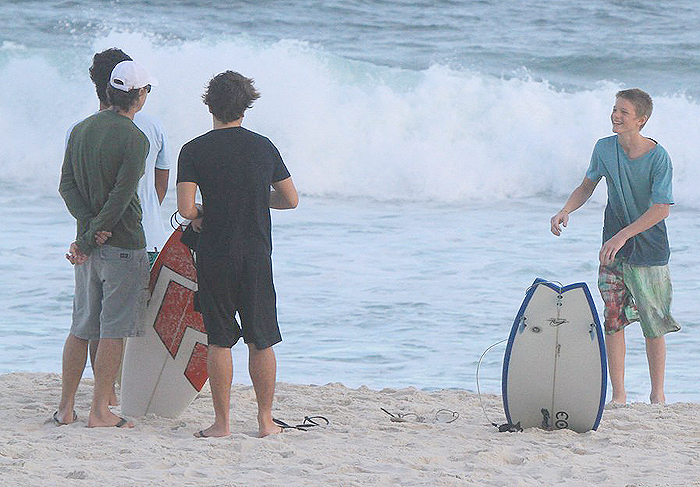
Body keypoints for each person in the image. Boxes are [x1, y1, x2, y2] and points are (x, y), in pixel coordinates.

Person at [176, 71, 298, 438]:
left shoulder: (194, 149)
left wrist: (203, 212)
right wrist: (258, 200)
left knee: (219, 338)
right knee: (261, 337)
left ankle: (223, 423)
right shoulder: (264, 146)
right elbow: (290, 200)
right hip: (257, 253)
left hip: (215, 253)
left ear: (209, 104)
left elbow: (185, 209)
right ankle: (264, 420)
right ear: (246, 105)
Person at [550, 88, 680, 404]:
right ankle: (618, 395)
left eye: (623, 111)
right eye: (614, 109)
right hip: (613, 248)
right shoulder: (605, 149)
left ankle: (657, 396)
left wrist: (624, 235)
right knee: (613, 319)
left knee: (653, 322)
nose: (615, 115)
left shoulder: (658, 157)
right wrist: (566, 209)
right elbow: (586, 187)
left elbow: (662, 208)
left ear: (641, 120)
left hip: (649, 249)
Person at [55, 61, 157, 427]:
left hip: (88, 247)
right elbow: (121, 197)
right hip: (123, 242)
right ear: (139, 95)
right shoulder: (135, 138)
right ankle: (100, 410)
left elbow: (66, 186)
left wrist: (85, 234)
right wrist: (93, 233)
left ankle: (66, 409)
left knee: (81, 326)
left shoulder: (81, 129)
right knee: (113, 329)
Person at [79, 48, 171, 406]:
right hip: (144, 236)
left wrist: (92, 230)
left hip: (93, 240)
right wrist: (145, 208)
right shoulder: (151, 126)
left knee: (96, 322)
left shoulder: (81, 129)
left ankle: (109, 395)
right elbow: (160, 182)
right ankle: (132, 392)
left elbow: (75, 186)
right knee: (139, 321)